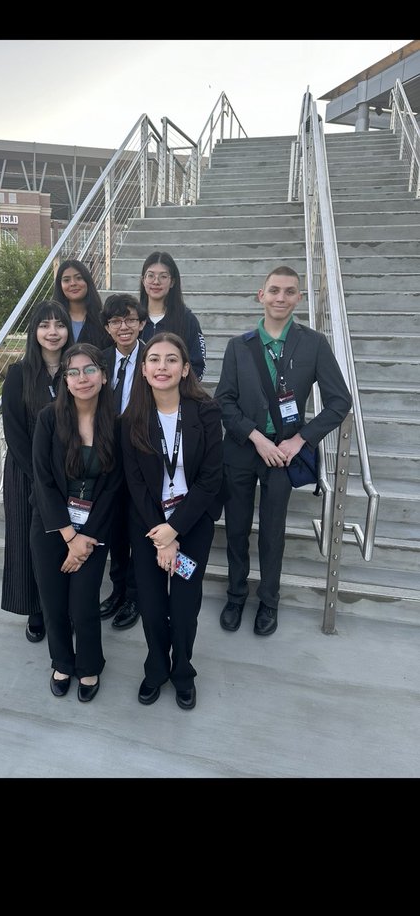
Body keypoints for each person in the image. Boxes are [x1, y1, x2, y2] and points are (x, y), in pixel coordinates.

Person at [215, 265, 352, 637]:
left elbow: (340, 402)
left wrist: (300, 440)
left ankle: (269, 601)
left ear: (299, 298)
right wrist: (257, 438)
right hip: (244, 450)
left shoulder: (314, 344)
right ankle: (236, 594)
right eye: (273, 290)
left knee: (273, 531)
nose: (280, 297)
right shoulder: (238, 346)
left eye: (289, 291)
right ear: (260, 295)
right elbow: (224, 402)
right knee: (238, 528)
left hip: (285, 454)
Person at [121, 332, 224, 710]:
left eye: (171, 360)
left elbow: (211, 478)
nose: (162, 367)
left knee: (183, 607)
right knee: (150, 605)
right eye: (154, 360)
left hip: (191, 523)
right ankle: (155, 668)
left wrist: (175, 530)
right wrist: (161, 537)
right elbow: (134, 482)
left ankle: (182, 671)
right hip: (147, 524)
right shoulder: (131, 418)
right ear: (144, 370)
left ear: (184, 369)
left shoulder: (206, 412)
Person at [30, 343, 123, 702]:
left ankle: (90, 664)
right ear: (64, 380)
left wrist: (85, 538)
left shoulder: (117, 423)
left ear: (103, 374)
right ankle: (61, 662)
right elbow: (43, 480)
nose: (82, 378)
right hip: (52, 526)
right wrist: (69, 536)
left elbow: (113, 486)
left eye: (89, 370)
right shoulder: (48, 419)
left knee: (83, 604)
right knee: (54, 603)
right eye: (73, 372)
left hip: (94, 529)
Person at [0, 299, 73, 643]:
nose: (52, 332)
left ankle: (63, 607)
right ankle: (36, 610)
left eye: (59, 324)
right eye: (44, 325)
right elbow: (14, 432)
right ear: (34, 331)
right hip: (25, 475)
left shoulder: (77, 370)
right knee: (30, 545)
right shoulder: (19, 374)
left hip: (70, 476)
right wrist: (39, 479)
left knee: (64, 543)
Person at [99, 293, 147, 631]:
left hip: (144, 460)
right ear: (107, 327)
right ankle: (117, 590)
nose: (124, 326)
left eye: (130, 319)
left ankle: (135, 595)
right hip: (108, 460)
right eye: (116, 321)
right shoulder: (99, 361)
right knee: (114, 530)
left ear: (142, 323)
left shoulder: (155, 358)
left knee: (139, 529)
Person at [138, 250, 206, 380]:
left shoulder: (187, 319)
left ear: (172, 282)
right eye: (150, 276)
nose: (156, 282)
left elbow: (198, 366)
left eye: (163, 276)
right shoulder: (133, 319)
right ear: (143, 280)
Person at [54, 256, 110, 350]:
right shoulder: (53, 319)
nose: (73, 283)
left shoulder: (102, 319)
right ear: (60, 286)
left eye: (79, 278)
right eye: (66, 280)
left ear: (87, 282)